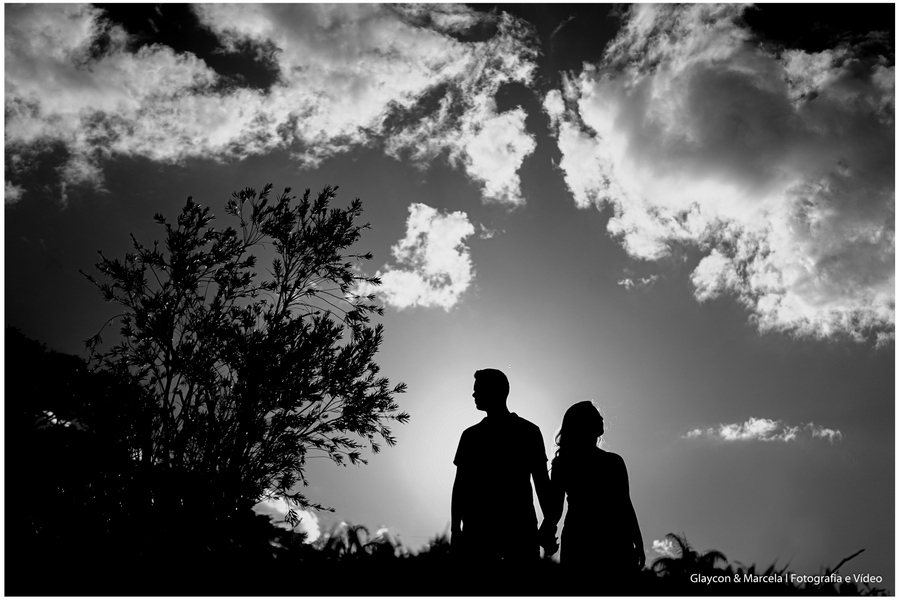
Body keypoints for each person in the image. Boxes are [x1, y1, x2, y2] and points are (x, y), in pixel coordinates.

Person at [451, 368, 556, 568]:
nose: (473, 394)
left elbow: (460, 489)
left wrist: (456, 532)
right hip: (498, 530)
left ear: (495, 391)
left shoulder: (474, 436)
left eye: (478, 389)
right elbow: (460, 489)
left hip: (503, 532)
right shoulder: (527, 431)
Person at [540, 401, 645, 592]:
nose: (601, 417)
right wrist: (637, 542)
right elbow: (624, 505)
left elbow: (625, 505)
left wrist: (638, 541)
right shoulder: (610, 462)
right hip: (595, 541)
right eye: (595, 415)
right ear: (583, 424)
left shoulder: (568, 463)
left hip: (597, 541)